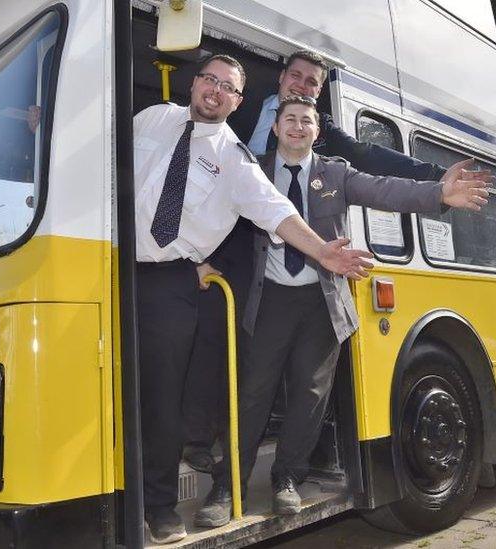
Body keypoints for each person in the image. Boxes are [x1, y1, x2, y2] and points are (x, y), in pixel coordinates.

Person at [194, 96, 492, 527]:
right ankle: (227, 485)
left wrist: (439, 194)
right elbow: (209, 210)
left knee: (310, 396)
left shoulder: (335, 172)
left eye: (307, 122)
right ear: (275, 129)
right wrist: (196, 256)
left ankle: (287, 479)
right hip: (268, 298)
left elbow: (385, 189)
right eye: (290, 120)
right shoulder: (251, 168)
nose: (298, 127)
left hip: (322, 300)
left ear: (317, 131)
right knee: (252, 393)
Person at [133, 55, 374, 544]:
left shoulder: (236, 160)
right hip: (110, 266)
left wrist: (323, 251)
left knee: (162, 396)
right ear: (195, 83)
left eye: (228, 88)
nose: (215, 91)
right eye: (210, 80)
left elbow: (276, 212)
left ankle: (158, 504)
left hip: (171, 282)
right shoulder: (153, 118)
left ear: (238, 102)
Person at [181, 48, 449, 472]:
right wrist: (194, 255)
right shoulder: (242, 125)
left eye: (312, 88)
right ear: (281, 83)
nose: (301, 93)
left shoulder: (331, 159)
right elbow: (200, 189)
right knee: (235, 367)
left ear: (317, 118)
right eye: (297, 79)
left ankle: (294, 473)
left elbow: (379, 175)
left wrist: (436, 181)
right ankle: (216, 465)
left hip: (313, 287)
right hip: (242, 260)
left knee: (310, 390)